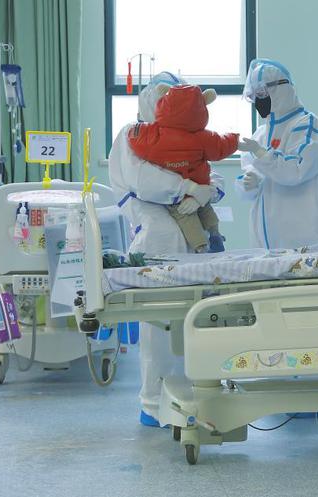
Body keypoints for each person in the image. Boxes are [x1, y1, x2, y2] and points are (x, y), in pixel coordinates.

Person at [108, 72, 224, 427]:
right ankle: (153, 400)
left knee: (197, 319)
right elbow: (145, 181)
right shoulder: (133, 135)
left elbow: (208, 172)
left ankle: (201, 391)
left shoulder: (187, 136)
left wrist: (207, 192)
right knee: (160, 325)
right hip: (155, 232)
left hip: (192, 240)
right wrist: (187, 187)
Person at [128, 84, 238, 253]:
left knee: (191, 218)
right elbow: (144, 181)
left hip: (179, 208)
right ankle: (213, 236)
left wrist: (206, 192)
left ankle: (206, 244)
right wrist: (193, 189)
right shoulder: (201, 137)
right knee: (200, 215)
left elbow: (212, 173)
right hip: (157, 235)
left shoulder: (152, 138)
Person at [236, 59, 318, 249]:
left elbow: (294, 171)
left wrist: (260, 153)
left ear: (282, 89)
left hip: (302, 240)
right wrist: (250, 182)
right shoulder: (261, 134)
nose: (259, 101)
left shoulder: (308, 125)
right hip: (263, 242)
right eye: (255, 96)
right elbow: (250, 179)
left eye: (262, 93)